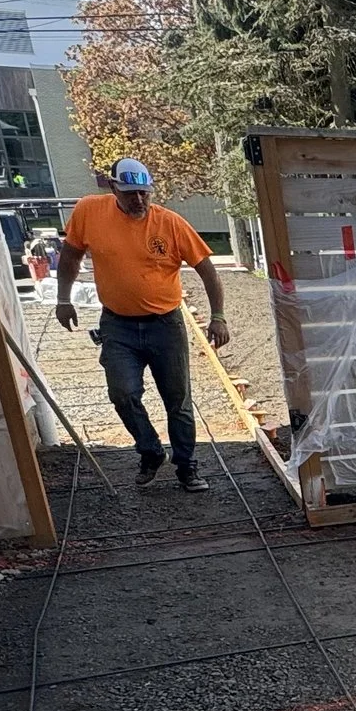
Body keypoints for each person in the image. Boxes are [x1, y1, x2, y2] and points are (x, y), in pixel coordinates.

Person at [55, 158, 229, 492]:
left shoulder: (170, 224)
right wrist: (64, 299)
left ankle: (186, 465)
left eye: (144, 193)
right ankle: (150, 451)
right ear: (113, 187)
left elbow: (208, 270)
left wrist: (217, 316)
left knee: (177, 399)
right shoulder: (89, 212)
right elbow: (70, 257)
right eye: (131, 193)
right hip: (117, 325)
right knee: (122, 392)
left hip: (166, 325)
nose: (139, 200)